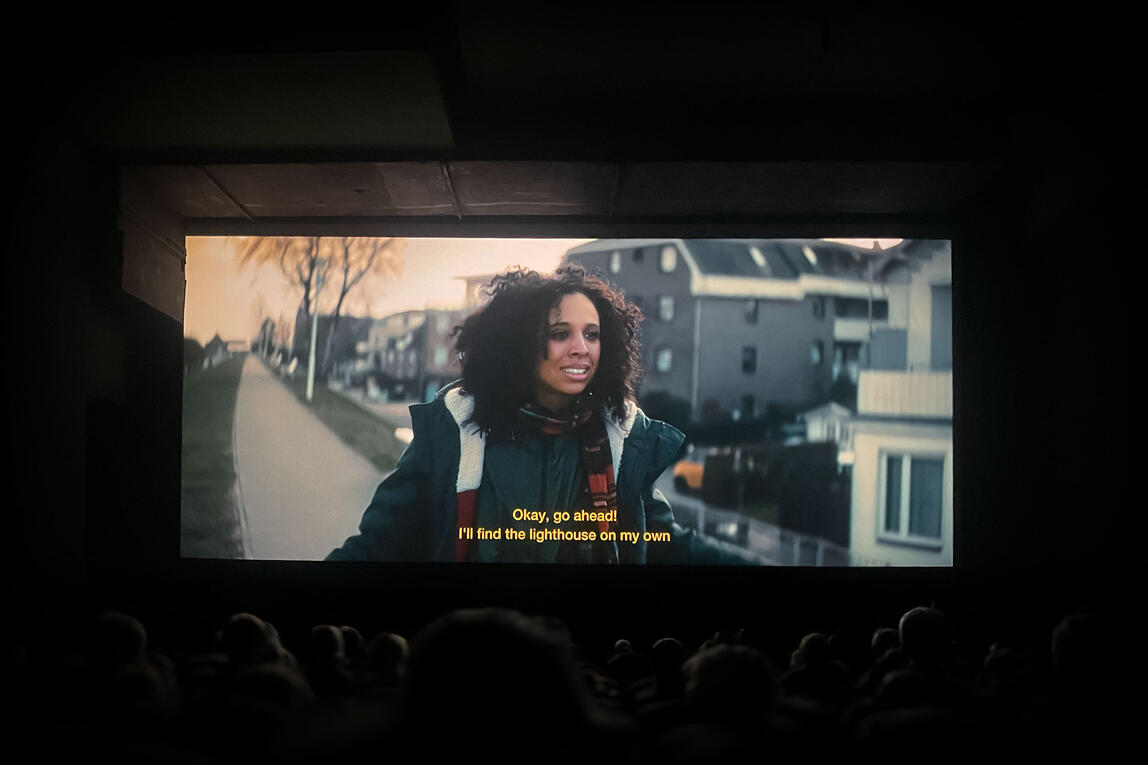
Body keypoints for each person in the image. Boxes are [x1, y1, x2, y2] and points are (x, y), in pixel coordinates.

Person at [327, 265, 758, 564]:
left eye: (592, 334)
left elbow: (664, 544)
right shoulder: (452, 429)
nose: (581, 349)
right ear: (517, 345)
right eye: (560, 333)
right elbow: (379, 544)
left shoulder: (622, 439)